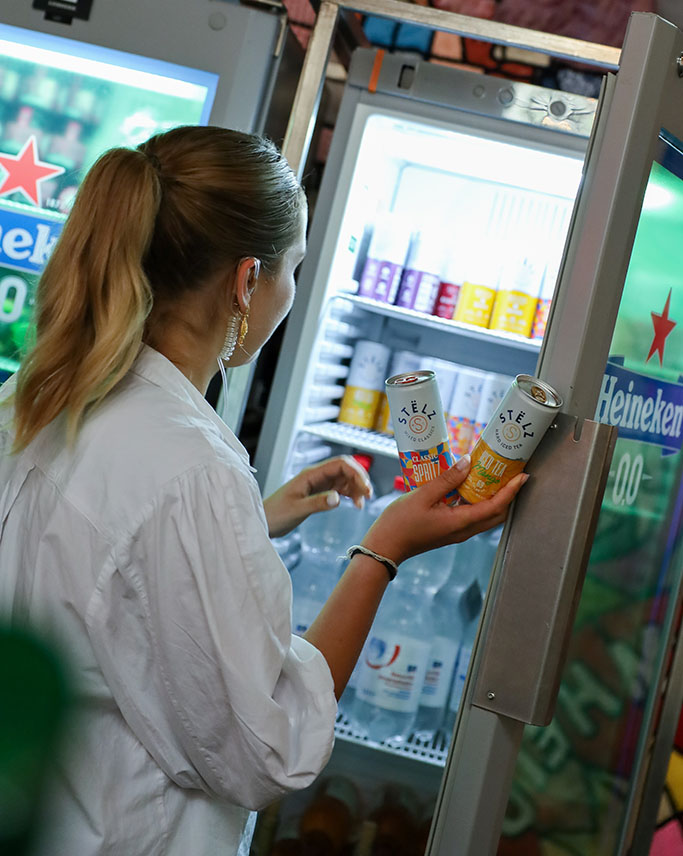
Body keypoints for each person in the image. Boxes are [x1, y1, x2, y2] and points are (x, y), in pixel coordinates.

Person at [0, 125, 527, 856]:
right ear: (246, 282)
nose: (292, 293)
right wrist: (382, 550)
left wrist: (256, 517)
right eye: (295, 268)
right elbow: (268, 748)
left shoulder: (35, 398)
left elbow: (100, 569)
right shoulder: (192, 470)